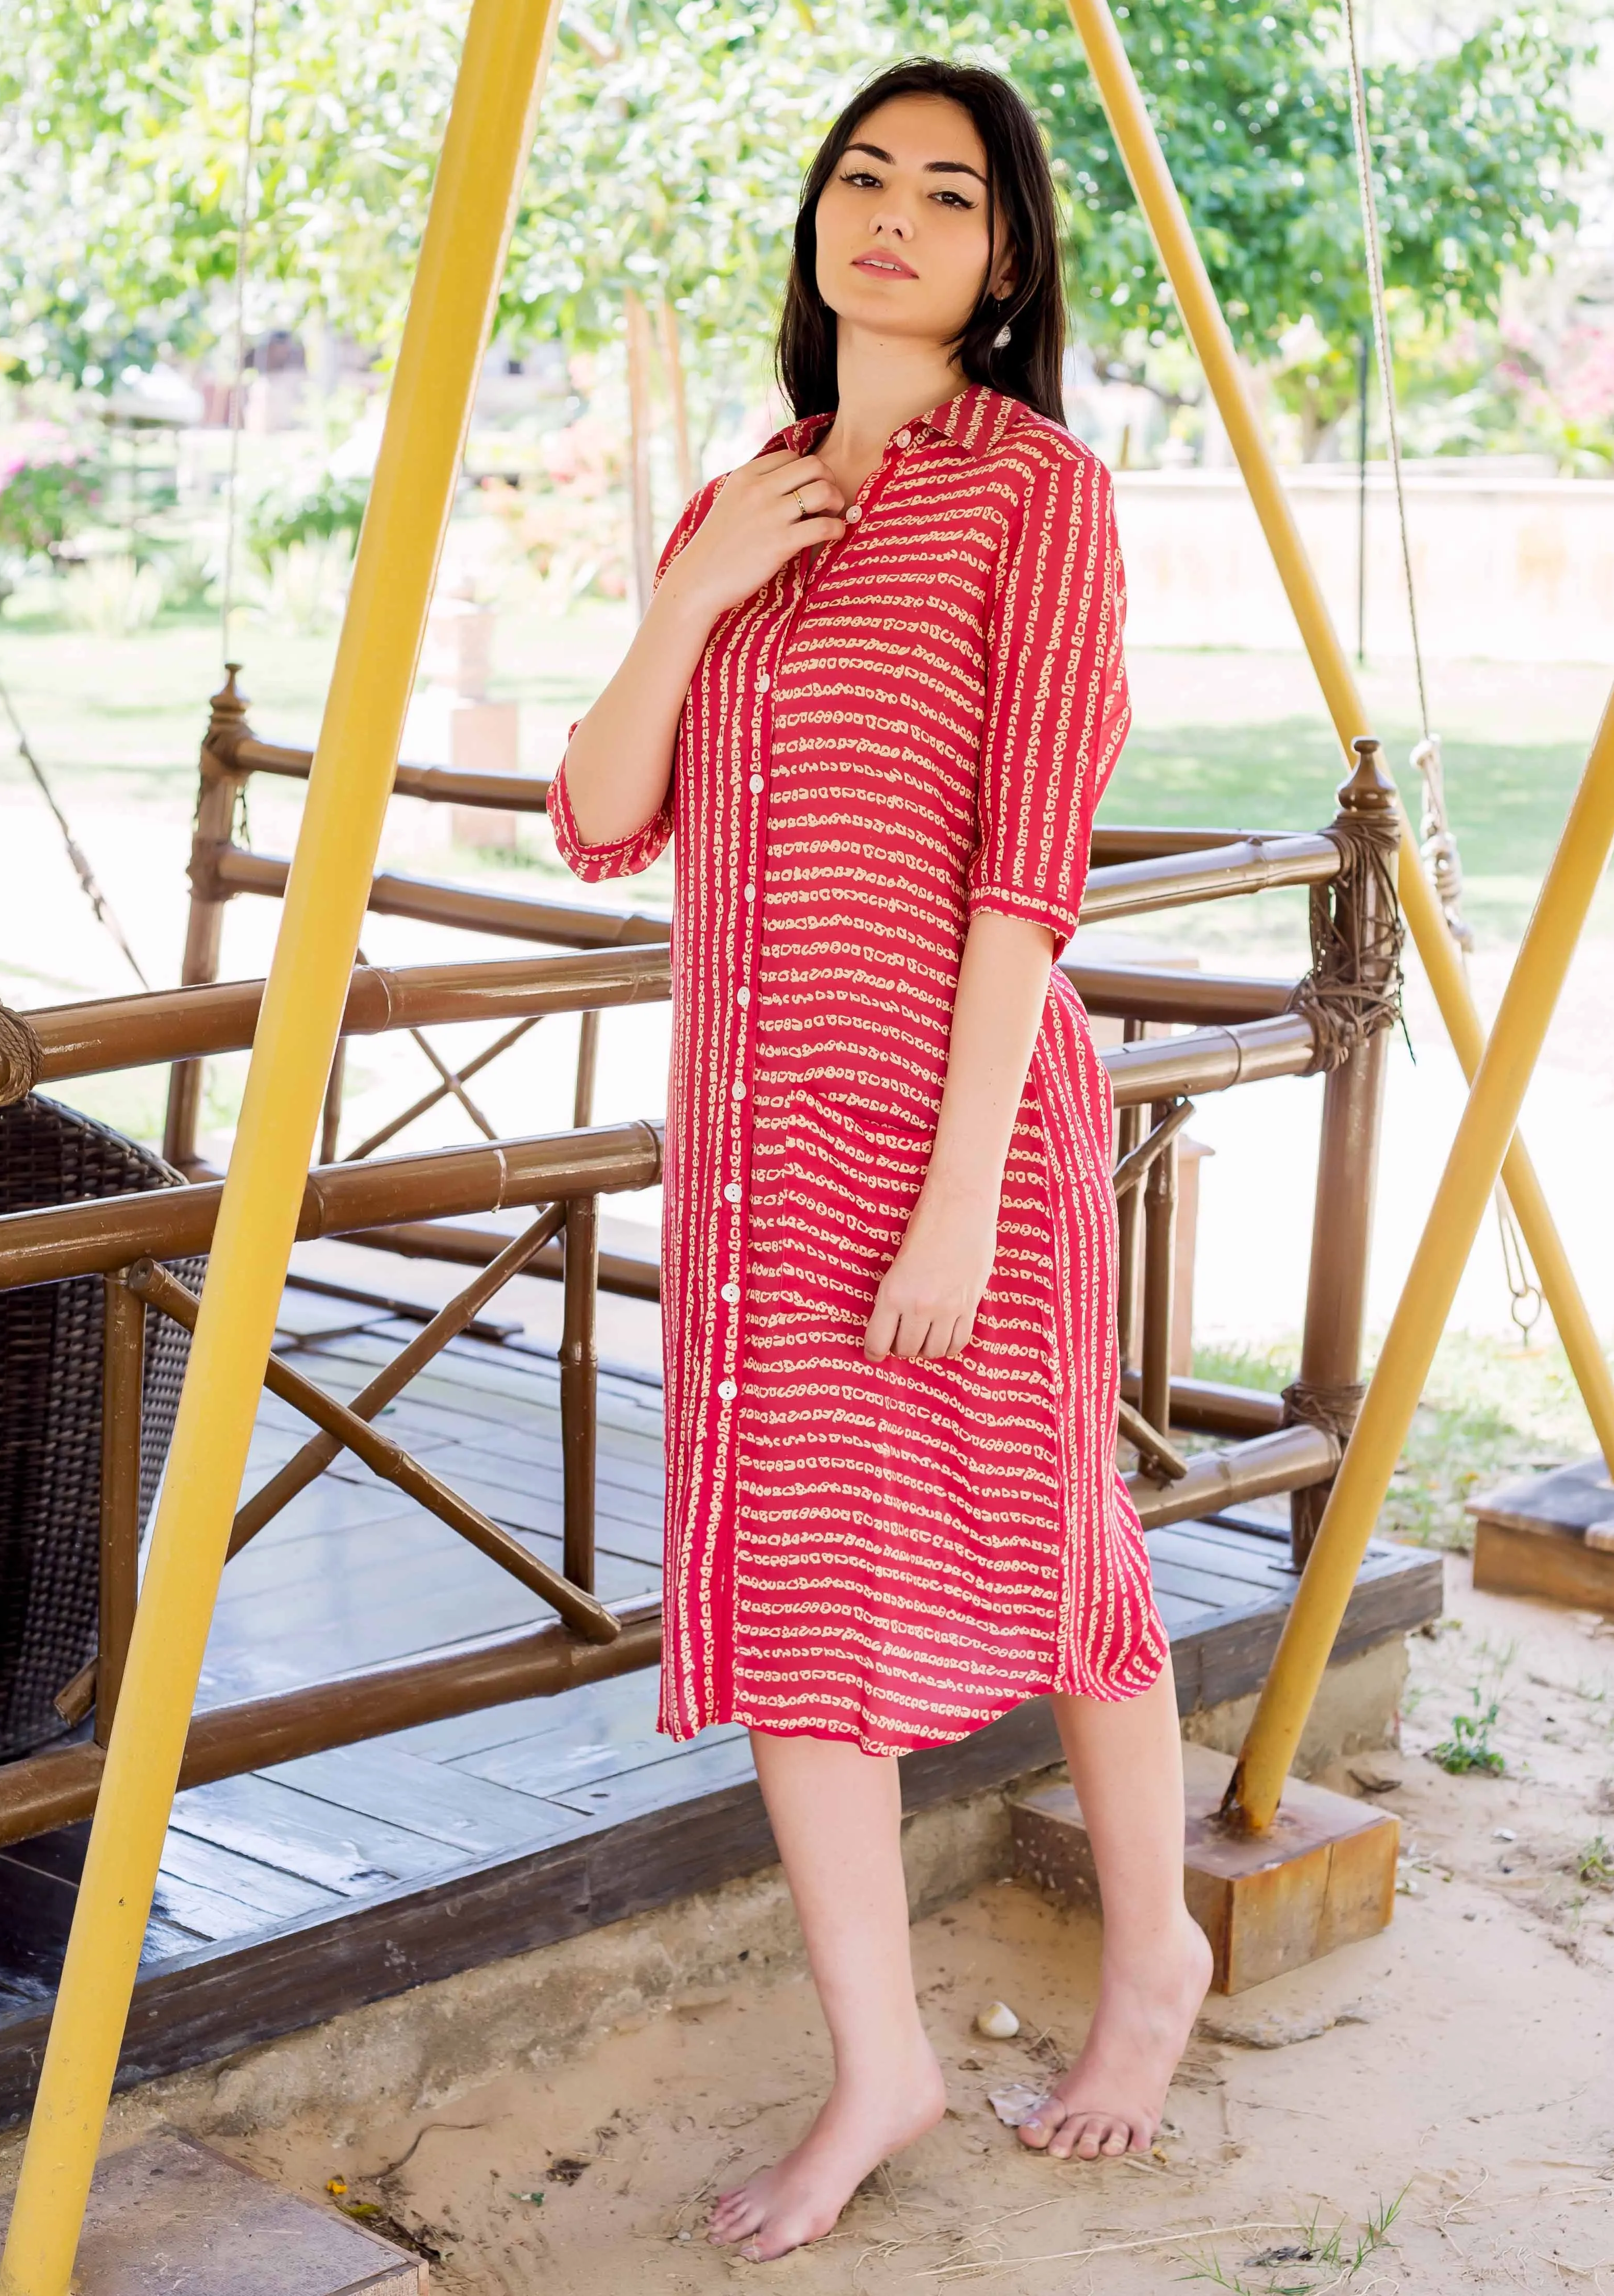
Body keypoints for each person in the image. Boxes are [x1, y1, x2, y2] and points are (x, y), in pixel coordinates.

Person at [549, 56, 1212, 2263]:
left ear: (1005, 257)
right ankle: (883, 2062)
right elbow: (601, 812)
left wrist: (955, 1194)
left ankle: (1151, 1964)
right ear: (815, 220)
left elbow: (1026, 867)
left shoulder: (1039, 494)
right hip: (751, 1153)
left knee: (1053, 1543)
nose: (893, 214)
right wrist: (694, 585)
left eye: (947, 190)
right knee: (785, 1587)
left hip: (960, 1131)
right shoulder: (740, 496)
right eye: (861, 175)